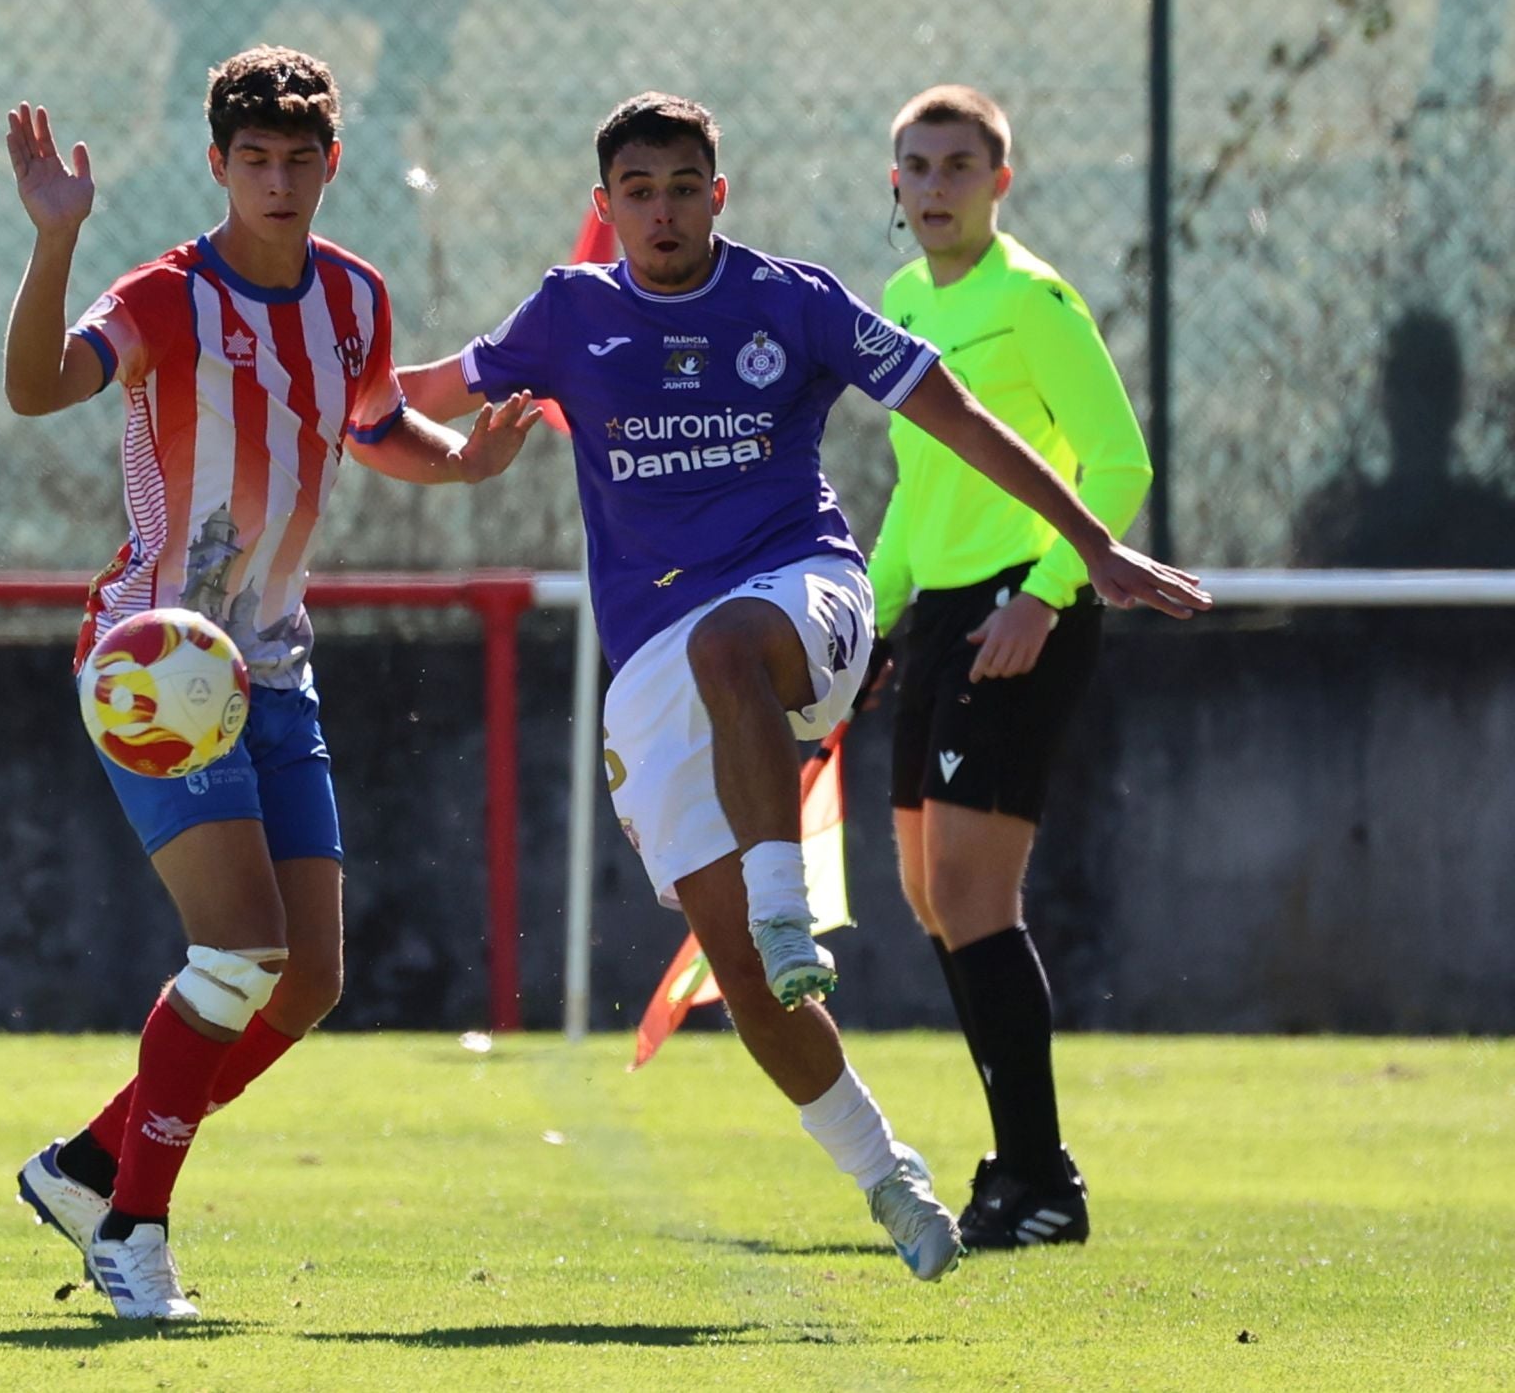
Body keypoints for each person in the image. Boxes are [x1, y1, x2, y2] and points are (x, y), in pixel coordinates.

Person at [398, 92, 1208, 1283]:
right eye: (638, 192)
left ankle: (793, 914)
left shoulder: (799, 301)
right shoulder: (569, 313)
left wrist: (1087, 546)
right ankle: (893, 1180)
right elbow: (407, 396)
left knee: (737, 655)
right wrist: (344, 408)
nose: (662, 212)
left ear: (717, 195)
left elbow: (962, 418)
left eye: (684, 188)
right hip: (654, 672)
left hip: (803, 596)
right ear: (606, 205)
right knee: (745, 986)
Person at [0, 46, 538, 1321]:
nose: (280, 180)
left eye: (301, 159)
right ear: (219, 168)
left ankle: (85, 1166)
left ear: (332, 163)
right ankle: (133, 1228)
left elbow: (370, 419)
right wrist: (53, 245)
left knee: (307, 982)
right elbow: (32, 392)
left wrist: (460, 465)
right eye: (256, 161)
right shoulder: (164, 296)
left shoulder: (355, 294)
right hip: (155, 662)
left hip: (273, 663)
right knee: (239, 945)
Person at [865, 85, 1155, 1249]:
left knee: (978, 897)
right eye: (917, 168)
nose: (936, 187)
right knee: (931, 897)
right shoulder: (893, 300)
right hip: (937, 619)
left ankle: (1041, 1182)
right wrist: (870, 626)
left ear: (1000, 180)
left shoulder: (1033, 299)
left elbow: (1119, 466)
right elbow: (915, 494)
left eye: (959, 166)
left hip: (1018, 613)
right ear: (895, 186)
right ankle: (1015, 1168)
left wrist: (1046, 593)